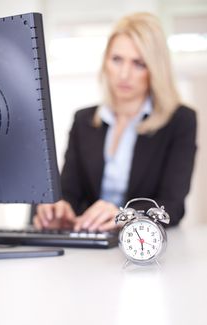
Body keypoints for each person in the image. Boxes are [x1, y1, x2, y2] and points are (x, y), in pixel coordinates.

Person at [33, 12, 197, 231]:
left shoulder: (180, 120)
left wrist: (126, 216)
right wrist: (59, 210)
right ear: (105, 62)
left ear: (155, 69)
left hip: (143, 244)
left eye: (139, 63)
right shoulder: (84, 120)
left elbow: (172, 205)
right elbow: (69, 191)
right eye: (117, 60)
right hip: (92, 239)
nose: (124, 74)